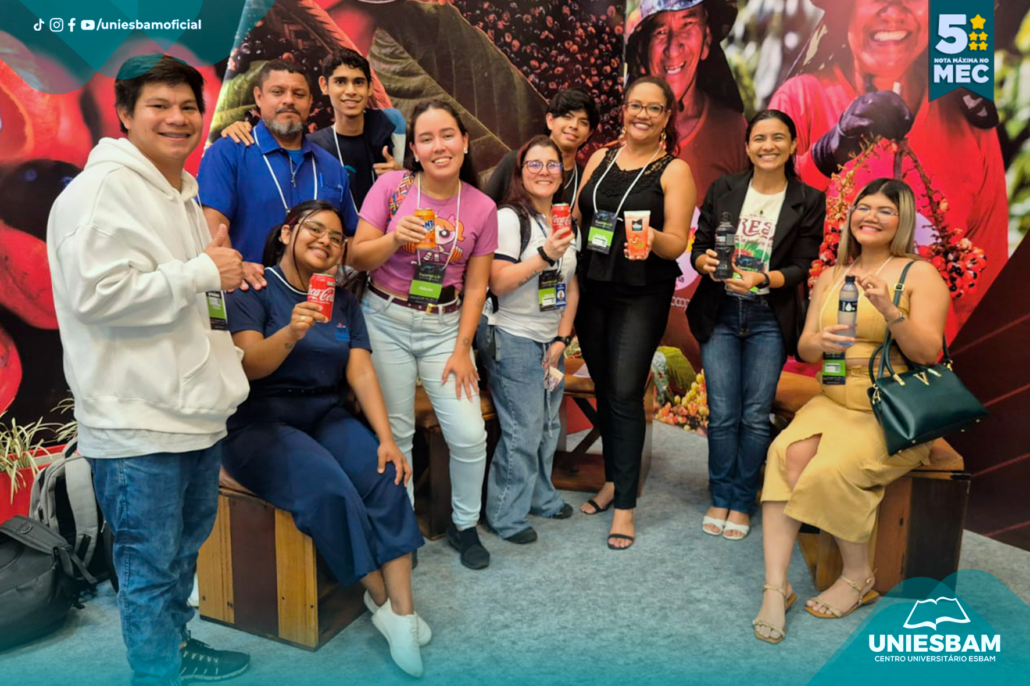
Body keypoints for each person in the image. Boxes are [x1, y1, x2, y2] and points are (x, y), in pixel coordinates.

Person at [46, 54, 251, 684]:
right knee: (147, 566)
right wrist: (200, 272)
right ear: (125, 114)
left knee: (181, 555)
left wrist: (213, 281)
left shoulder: (180, 190)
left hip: (191, 411)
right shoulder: (100, 192)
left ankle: (175, 647)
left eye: (188, 106)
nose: (177, 118)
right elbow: (97, 295)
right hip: (138, 421)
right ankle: (155, 672)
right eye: (158, 106)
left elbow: (183, 289)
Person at [222, 200, 428, 676]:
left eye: (337, 238)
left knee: (387, 474)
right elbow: (249, 366)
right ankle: (381, 601)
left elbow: (361, 372)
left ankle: (403, 612)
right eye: (315, 230)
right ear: (287, 233)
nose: (327, 242)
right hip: (259, 421)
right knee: (329, 488)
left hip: (323, 412)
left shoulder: (344, 302)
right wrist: (292, 331)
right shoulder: (253, 288)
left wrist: (387, 438)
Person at [751, 178, 949, 644]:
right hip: (833, 398)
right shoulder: (832, 275)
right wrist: (818, 342)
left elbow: (928, 354)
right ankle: (776, 587)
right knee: (783, 455)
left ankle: (859, 576)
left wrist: (889, 309)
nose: (871, 217)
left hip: (890, 408)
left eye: (885, 210)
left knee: (833, 468)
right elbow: (805, 348)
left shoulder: (919, 275)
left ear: (902, 221)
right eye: (864, 207)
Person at [768, 0, 1009, 328]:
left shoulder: (968, 123)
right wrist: (822, 158)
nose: (894, 10)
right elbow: (759, 243)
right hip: (824, 357)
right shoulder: (801, 100)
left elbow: (987, 291)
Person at [350, 99, 498, 570]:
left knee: (470, 434)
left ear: (465, 141)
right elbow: (356, 256)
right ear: (413, 149)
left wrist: (462, 349)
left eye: (448, 135)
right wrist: (395, 238)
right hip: (385, 320)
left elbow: (477, 285)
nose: (439, 146)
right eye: (427, 138)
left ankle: (464, 525)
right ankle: (403, 533)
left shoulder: (482, 207)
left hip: (445, 328)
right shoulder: (391, 188)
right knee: (398, 431)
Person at [687, 110, 825, 541]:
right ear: (747, 147)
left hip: (769, 316)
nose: (768, 146)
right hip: (721, 312)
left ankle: (743, 500)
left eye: (778, 138)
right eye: (759, 138)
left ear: (793, 145)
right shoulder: (724, 188)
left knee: (754, 415)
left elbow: (803, 265)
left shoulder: (808, 199)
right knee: (722, 413)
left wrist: (763, 279)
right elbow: (700, 246)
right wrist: (703, 261)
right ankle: (720, 495)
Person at [572, 76, 694, 549]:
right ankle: (612, 480)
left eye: (654, 108)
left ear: (666, 117)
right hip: (593, 285)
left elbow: (677, 243)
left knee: (625, 391)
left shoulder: (674, 170)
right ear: (623, 110)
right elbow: (580, 214)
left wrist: (647, 235)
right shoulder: (600, 158)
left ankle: (625, 505)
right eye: (635, 105)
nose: (642, 114)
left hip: (641, 292)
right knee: (605, 389)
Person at [475, 135, 580, 544]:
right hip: (510, 334)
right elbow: (498, 283)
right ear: (520, 172)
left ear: (562, 173)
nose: (544, 172)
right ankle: (505, 515)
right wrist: (546, 255)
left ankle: (540, 496)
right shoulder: (508, 218)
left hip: (548, 338)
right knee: (524, 428)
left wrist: (562, 338)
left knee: (549, 425)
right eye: (534, 164)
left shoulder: (564, 221)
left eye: (552, 164)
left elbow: (570, 285)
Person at [197, 59, 358, 266]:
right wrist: (236, 271)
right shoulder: (229, 152)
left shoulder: (332, 168)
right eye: (277, 92)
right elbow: (212, 226)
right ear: (259, 97)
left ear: (310, 101)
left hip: (314, 286)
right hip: (249, 283)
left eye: (299, 94)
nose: (289, 100)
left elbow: (349, 239)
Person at [218, 49, 406, 209]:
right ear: (324, 85)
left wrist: (403, 178)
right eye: (340, 82)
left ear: (370, 87)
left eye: (359, 82)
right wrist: (240, 127)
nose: (351, 91)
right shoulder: (312, 146)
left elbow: (419, 183)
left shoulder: (391, 124)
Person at [624, 0, 748, 202]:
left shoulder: (733, 133)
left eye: (687, 25)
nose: (673, 50)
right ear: (643, 49)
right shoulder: (617, 129)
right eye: (660, 32)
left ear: (706, 40)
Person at [483, 87, 600, 206]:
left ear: (589, 134)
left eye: (583, 122)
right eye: (567, 117)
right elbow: (482, 210)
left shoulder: (585, 181)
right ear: (550, 120)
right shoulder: (515, 162)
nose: (574, 125)